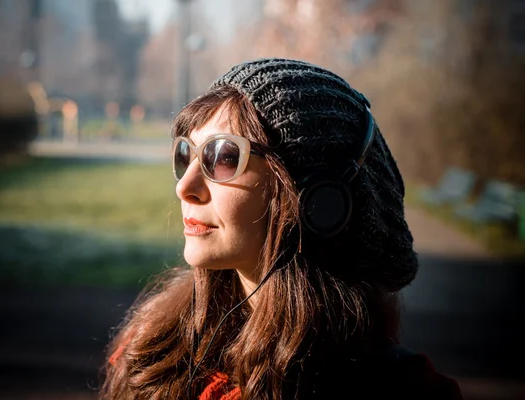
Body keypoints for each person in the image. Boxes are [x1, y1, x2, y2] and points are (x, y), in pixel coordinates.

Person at [100, 58, 463, 399]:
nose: (184, 187)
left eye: (224, 156)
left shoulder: (407, 391)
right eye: (186, 155)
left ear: (319, 203)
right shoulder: (150, 355)